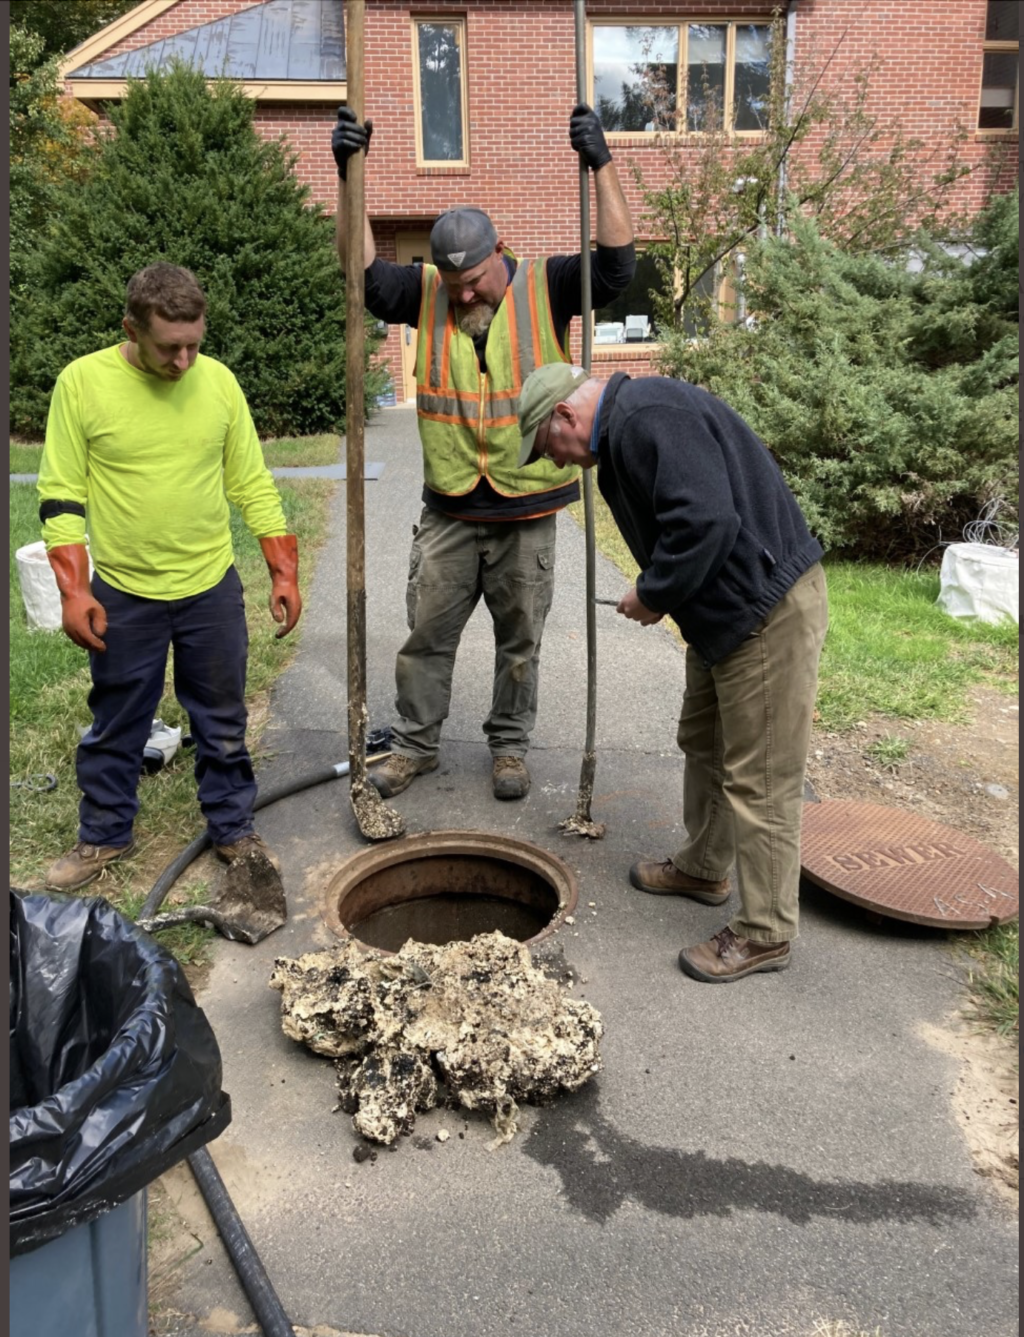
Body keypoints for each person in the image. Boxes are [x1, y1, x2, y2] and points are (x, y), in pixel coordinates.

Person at [331, 102, 635, 801]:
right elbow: (360, 272)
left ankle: (509, 746)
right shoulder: (427, 292)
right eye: (454, 281)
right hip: (449, 509)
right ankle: (415, 745)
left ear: (501, 253)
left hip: (528, 508)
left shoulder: (547, 286)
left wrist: (603, 162)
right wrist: (351, 173)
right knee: (426, 635)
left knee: (518, 642)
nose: (466, 293)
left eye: (475, 279)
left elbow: (618, 267)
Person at [516, 362, 829, 982]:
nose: (552, 464)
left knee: (760, 775)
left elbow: (707, 521)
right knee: (705, 744)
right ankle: (704, 866)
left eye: (547, 447)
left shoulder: (647, 418)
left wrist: (654, 594)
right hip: (724, 617)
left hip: (763, 612)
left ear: (567, 416)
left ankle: (765, 933)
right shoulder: (626, 432)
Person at [38, 263, 302, 892]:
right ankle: (104, 833)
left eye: (194, 343)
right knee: (118, 717)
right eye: (168, 347)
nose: (183, 361)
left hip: (209, 586)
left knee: (221, 717)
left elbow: (252, 484)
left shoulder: (218, 383)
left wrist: (283, 569)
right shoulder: (83, 383)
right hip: (124, 591)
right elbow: (61, 494)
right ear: (131, 327)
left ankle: (232, 826)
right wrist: (75, 589)